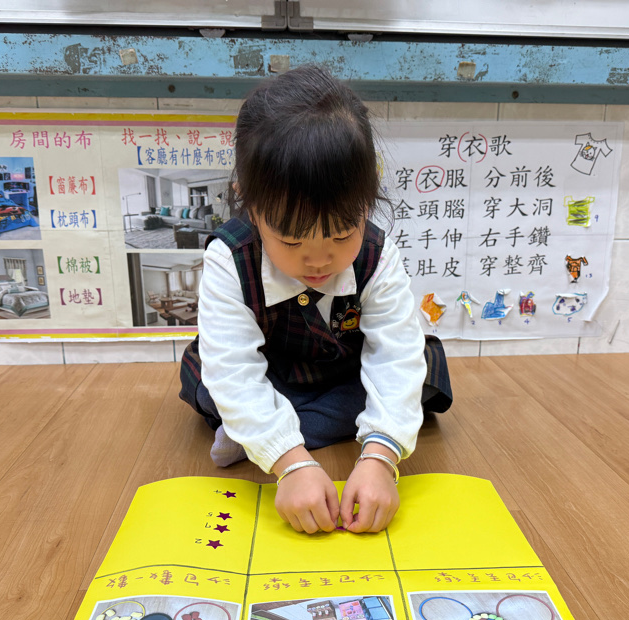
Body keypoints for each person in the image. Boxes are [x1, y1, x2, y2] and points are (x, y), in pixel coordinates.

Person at [180, 65, 451, 536]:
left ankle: (260, 433)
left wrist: (380, 458)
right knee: (213, 385)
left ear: (367, 199)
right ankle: (275, 433)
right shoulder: (229, 258)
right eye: (291, 241)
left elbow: (393, 357)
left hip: (345, 374)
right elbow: (234, 370)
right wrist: (291, 465)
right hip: (275, 373)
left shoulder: (378, 254)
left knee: (420, 371)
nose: (319, 260)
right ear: (249, 203)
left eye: (342, 235)